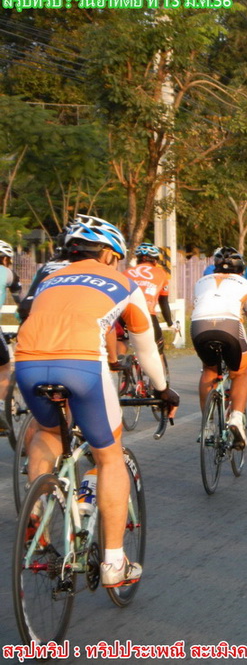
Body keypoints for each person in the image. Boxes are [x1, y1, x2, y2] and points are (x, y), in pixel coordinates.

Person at [15, 216, 179, 588]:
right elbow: (145, 347)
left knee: (47, 433)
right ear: (107, 254)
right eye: (116, 257)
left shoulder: (50, 278)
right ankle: (114, 563)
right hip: (81, 366)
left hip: (27, 364)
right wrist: (162, 389)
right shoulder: (124, 282)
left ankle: (36, 516)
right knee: (109, 456)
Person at [191, 247, 247, 450]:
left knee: (209, 369)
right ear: (241, 269)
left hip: (199, 327)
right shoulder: (244, 284)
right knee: (240, 373)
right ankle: (236, 417)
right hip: (229, 326)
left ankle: (207, 425)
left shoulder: (201, 282)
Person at [125, 243, 174, 355]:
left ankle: (118, 362)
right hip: (146, 314)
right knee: (157, 348)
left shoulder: (126, 272)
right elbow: (163, 302)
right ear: (155, 261)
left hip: (125, 314)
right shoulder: (161, 273)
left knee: (121, 342)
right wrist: (169, 322)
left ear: (138, 259)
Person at [0, 240, 22, 424]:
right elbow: (22, 303)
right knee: (4, 367)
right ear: (5, 259)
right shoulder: (7, 273)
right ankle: (0, 408)